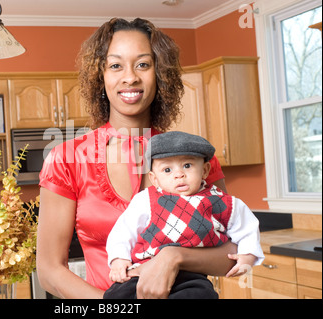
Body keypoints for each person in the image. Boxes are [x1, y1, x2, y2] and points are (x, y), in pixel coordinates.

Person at [36, 17, 238, 299]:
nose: (130, 77)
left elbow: (231, 253)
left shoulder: (195, 158)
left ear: (160, 74)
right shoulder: (66, 159)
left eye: (143, 64)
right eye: (115, 65)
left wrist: (173, 257)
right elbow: (48, 270)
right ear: (101, 76)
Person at [104, 131, 264, 299]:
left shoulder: (224, 202)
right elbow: (123, 231)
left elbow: (248, 229)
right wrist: (118, 259)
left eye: (187, 165)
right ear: (154, 179)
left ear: (205, 170)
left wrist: (247, 256)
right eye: (167, 169)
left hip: (191, 275)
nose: (178, 174)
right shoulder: (146, 200)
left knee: (202, 295)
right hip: (142, 271)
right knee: (116, 296)